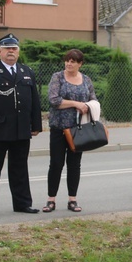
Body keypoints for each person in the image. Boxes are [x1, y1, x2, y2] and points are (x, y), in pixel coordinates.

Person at [0, 33, 42, 216]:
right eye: (7, 49)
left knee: (20, 168)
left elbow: (34, 101)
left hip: (21, 129)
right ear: (0, 52)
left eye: (14, 49)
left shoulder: (26, 72)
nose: (11, 52)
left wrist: (36, 124)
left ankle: (22, 203)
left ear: (18, 52)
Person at [43, 49, 97, 213]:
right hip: (59, 127)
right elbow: (53, 100)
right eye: (67, 60)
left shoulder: (86, 80)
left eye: (73, 61)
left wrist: (87, 106)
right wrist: (76, 104)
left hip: (78, 129)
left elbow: (93, 98)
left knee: (74, 165)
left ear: (80, 64)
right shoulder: (57, 77)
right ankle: (51, 200)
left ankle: (72, 199)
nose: (69, 64)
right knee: (56, 164)